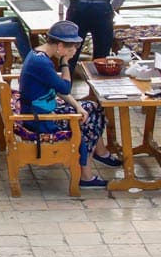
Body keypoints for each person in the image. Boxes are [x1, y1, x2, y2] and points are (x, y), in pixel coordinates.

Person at [17, 21, 108, 189]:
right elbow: (65, 86)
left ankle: (99, 153)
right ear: (60, 46)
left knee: (92, 108)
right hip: (40, 119)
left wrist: (78, 106)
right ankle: (86, 175)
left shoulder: (37, 54)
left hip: (41, 108)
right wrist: (65, 63)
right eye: (71, 48)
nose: (73, 52)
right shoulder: (42, 63)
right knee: (89, 122)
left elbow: (57, 87)